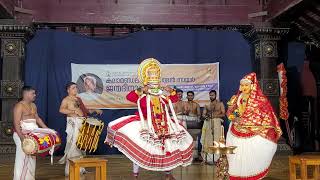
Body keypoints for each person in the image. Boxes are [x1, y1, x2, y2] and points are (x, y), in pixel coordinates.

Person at [105, 58, 193, 180]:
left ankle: (168, 174)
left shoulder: (161, 94)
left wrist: (171, 91)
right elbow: (130, 97)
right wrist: (142, 90)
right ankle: (135, 175)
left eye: (156, 75)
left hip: (163, 123)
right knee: (141, 147)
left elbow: (173, 99)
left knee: (168, 147)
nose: (154, 79)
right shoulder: (143, 93)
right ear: (146, 79)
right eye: (151, 75)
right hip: (145, 123)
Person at [226, 72, 282, 179]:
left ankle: (254, 174)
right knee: (237, 154)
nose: (244, 87)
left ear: (252, 85)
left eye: (246, 85)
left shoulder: (261, 100)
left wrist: (246, 121)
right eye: (242, 85)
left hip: (254, 131)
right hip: (236, 129)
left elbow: (267, 116)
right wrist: (234, 117)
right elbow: (230, 112)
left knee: (262, 148)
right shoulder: (235, 98)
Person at [58, 82, 102, 176]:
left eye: (76, 88)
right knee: (74, 146)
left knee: (81, 145)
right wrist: (74, 111)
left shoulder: (78, 99)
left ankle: (81, 169)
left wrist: (94, 110)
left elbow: (85, 111)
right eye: (73, 88)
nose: (76, 89)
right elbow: (61, 110)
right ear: (68, 90)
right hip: (73, 123)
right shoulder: (66, 100)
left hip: (81, 122)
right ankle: (70, 170)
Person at [13, 86, 52, 180]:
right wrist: (22, 138)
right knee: (22, 158)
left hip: (32, 135)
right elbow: (16, 123)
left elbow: (37, 119)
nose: (35, 95)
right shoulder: (19, 105)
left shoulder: (33, 105)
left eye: (35, 93)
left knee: (32, 158)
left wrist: (48, 130)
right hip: (21, 134)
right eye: (33, 93)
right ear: (26, 94)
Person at [201, 90, 225, 164]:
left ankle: (218, 158)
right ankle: (208, 159)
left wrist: (215, 116)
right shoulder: (207, 105)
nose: (211, 96)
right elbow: (203, 114)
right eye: (210, 95)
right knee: (208, 139)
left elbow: (223, 114)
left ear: (215, 95)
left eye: (212, 95)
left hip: (217, 122)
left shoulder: (220, 104)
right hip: (209, 122)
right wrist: (206, 116)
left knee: (217, 138)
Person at [184, 91, 202, 160]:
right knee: (186, 139)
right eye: (189, 95)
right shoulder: (185, 104)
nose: (190, 97)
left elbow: (199, 114)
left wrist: (194, 115)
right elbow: (184, 113)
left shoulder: (196, 105)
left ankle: (194, 156)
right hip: (186, 123)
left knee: (194, 139)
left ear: (193, 96)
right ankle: (186, 156)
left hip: (194, 123)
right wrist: (186, 113)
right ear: (187, 96)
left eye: (191, 95)